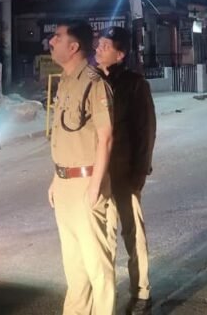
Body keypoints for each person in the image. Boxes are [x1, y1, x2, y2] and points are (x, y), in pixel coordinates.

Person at [48, 19, 118, 315]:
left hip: (86, 185)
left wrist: (94, 188)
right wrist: (56, 178)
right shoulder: (65, 81)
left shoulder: (94, 83)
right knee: (74, 267)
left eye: (57, 37)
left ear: (74, 46)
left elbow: (106, 138)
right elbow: (67, 137)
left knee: (97, 267)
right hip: (66, 184)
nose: (51, 42)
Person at [95, 26, 157, 315]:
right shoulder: (94, 81)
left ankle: (141, 291)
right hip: (100, 175)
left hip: (126, 172)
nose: (98, 49)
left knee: (133, 233)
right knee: (103, 235)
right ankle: (106, 293)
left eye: (105, 46)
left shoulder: (134, 84)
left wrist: (140, 172)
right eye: (99, 44)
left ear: (120, 54)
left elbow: (146, 130)